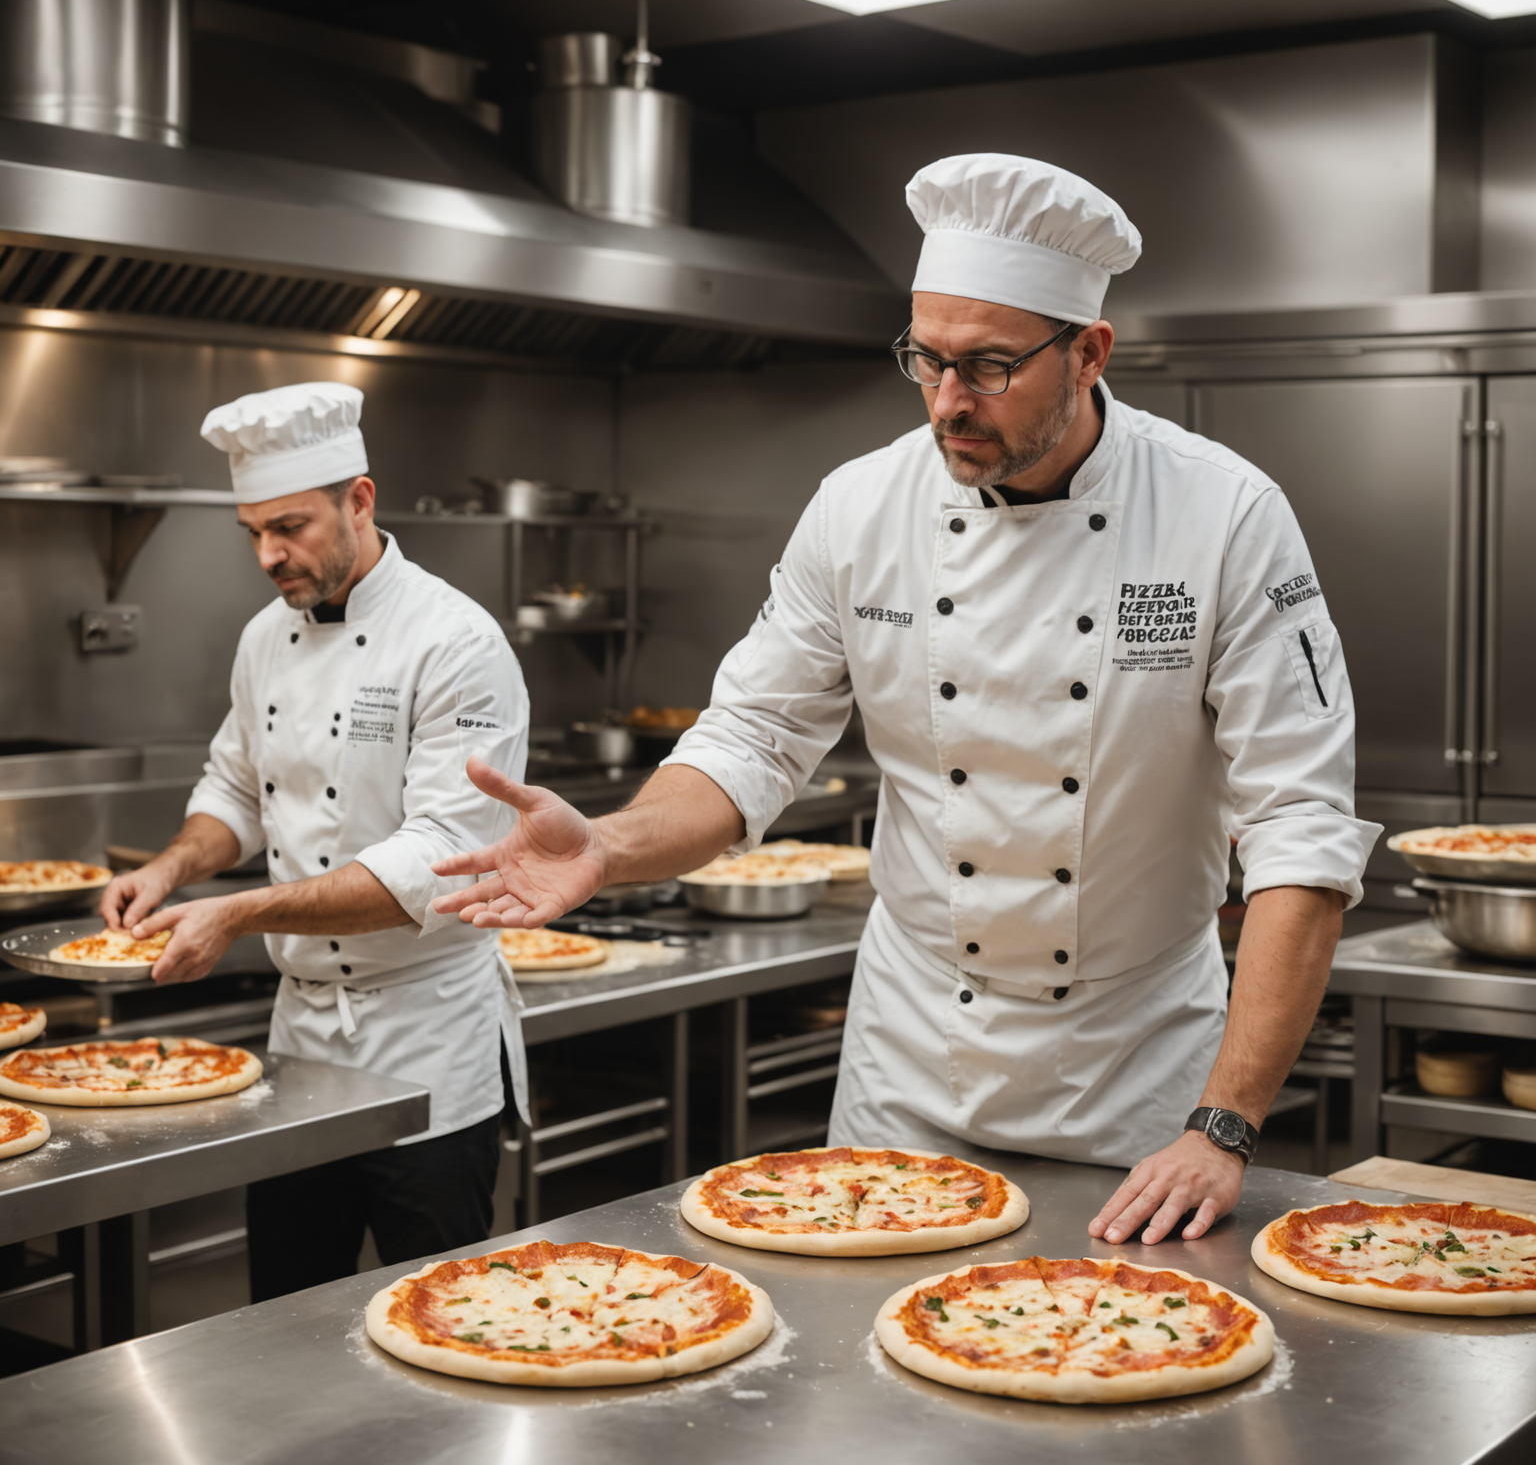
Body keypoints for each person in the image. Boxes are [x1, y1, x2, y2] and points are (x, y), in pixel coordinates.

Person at [428, 154, 1380, 1246]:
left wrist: (1226, 1121)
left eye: (986, 367)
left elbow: (1300, 828)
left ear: (1090, 352)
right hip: (913, 1056)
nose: (946, 404)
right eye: (923, 361)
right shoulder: (860, 508)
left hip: (1139, 1071)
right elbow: (755, 734)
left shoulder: (1225, 516)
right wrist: (610, 841)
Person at [102, 381, 529, 1298]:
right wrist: (170, 868)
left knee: (445, 1312)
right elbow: (236, 790)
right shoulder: (263, 638)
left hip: (427, 1042)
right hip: (301, 1046)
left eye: (290, 527)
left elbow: (437, 860)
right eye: (253, 532)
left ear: (360, 500)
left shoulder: (456, 640)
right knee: (286, 1310)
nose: (269, 555)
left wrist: (239, 911)